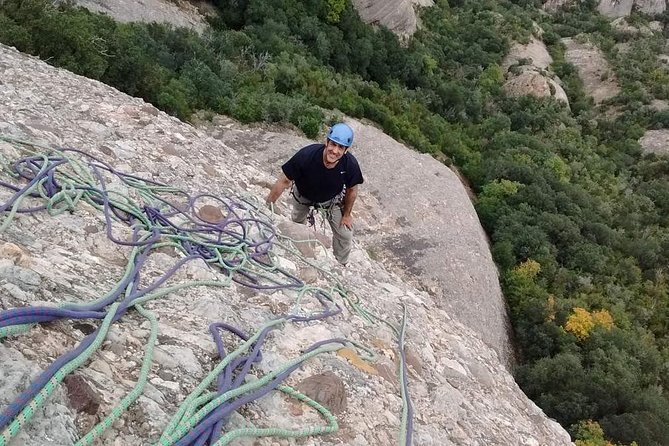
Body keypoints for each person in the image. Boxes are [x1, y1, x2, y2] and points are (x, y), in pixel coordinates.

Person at [266, 123, 364, 265]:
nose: (335, 151)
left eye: (340, 147)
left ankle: (340, 264)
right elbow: (284, 180)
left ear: (346, 150)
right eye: (333, 144)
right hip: (303, 196)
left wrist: (347, 215)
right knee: (297, 225)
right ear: (326, 142)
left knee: (345, 234)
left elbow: (352, 190)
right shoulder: (306, 156)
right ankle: (296, 250)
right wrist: (269, 205)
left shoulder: (350, 165)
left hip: (331, 201)